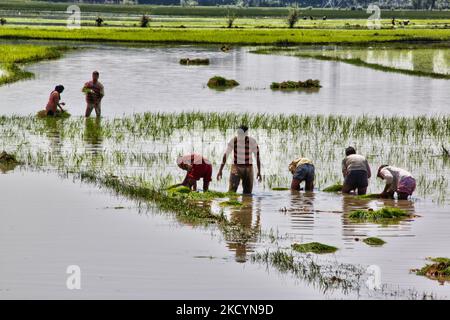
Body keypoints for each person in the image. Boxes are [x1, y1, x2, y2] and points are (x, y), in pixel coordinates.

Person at [217, 125, 261, 194]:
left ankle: (246, 204)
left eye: (241, 134)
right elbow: (226, 155)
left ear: (246, 134)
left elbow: (257, 157)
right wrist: (220, 170)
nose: (239, 136)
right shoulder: (234, 141)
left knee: (247, 193)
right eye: (238, 133)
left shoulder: (252, 142)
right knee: (231, 192)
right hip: (236, 168)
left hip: (248, 169)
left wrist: (259, 171)